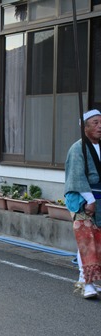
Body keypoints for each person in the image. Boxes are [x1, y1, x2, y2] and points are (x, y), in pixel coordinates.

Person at [64, 109, 101, 299]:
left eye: (100, 122)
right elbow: (76, 176)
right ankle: (87, 283)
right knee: (86, 241)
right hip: (84, 200)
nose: (100, 126)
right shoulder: (77, 148)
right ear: (84, 128)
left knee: (98, 241)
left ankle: (90, 279)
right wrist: (90, 199)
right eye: (95, 123)